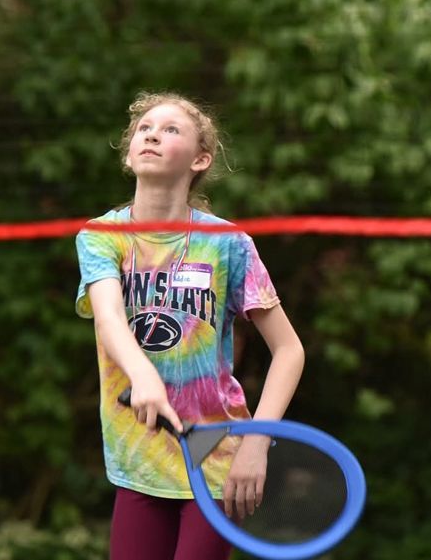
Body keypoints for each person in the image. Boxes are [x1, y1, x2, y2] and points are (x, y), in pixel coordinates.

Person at [75, 92, 305, 560]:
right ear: (129, 151)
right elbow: (109, 319)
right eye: (144, 128)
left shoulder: (228, 244)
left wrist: (256, 445)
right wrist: (143, 378)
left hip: (213, 451)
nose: (152, 133)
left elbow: (289, 350)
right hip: (137, 453)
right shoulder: (101, 236)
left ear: (200, 159)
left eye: (171, 129)